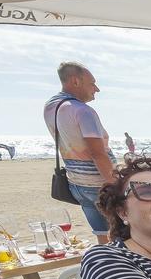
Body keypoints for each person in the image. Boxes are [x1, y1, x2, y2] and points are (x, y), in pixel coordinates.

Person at [44, 62, 115, 244]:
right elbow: (97, 153)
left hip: (76, 182)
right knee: (120, 235)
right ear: (76, 81)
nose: (96, 89)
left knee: (102, 236)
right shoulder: (83, 111)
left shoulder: (51, 107)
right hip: (98, 183)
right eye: (92, 83)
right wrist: (114, 186)